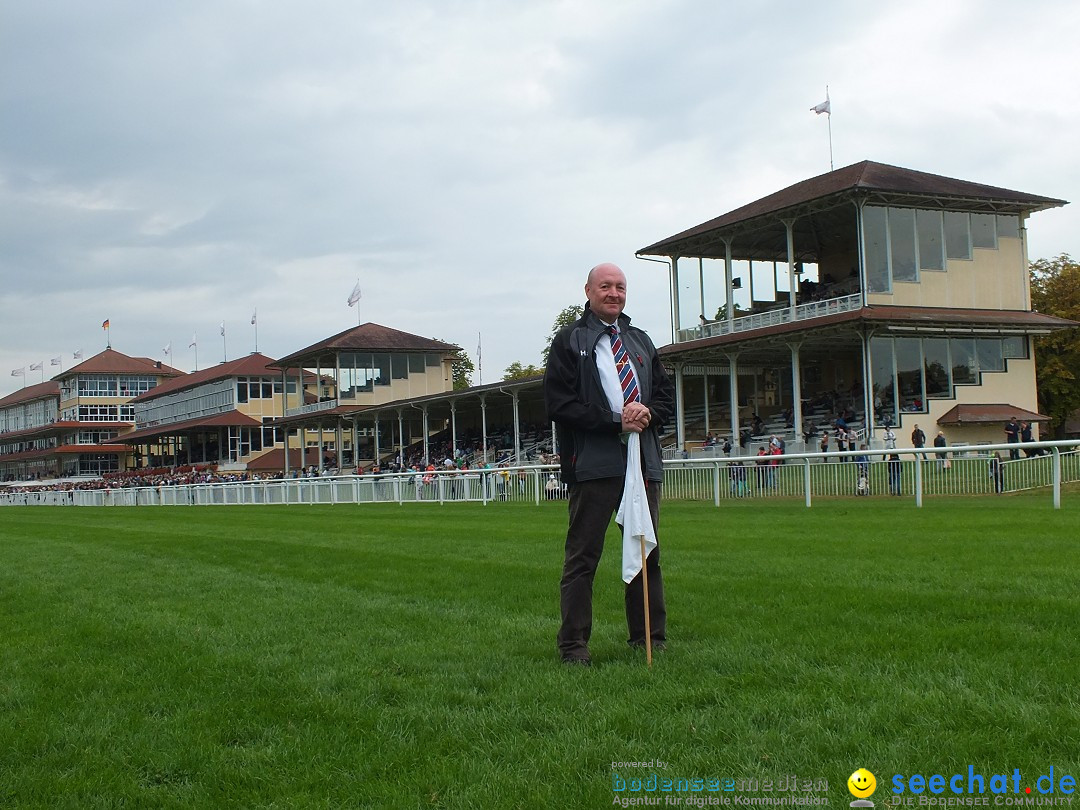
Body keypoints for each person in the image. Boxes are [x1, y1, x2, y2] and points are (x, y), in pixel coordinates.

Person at [544, 262, 675, 666]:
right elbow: (560, 404)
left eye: (620, 287)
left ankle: (649, 639)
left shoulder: (641, 341)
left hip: (642, 464)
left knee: (645, 553)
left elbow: (666, 400)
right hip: (594, 466)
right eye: (606, 286)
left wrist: (646, 414)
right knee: (583, 558)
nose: (614, 293)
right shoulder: (569, 341)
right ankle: (574, 647)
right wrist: (615, 420)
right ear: (588, 291)